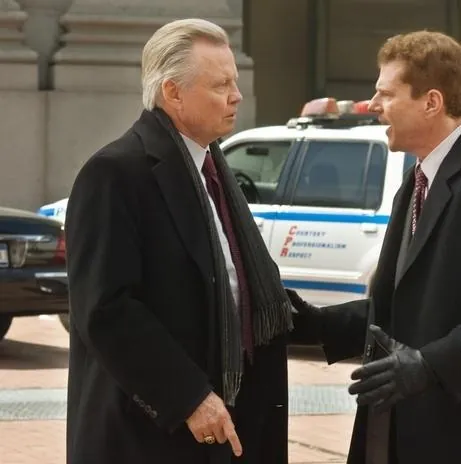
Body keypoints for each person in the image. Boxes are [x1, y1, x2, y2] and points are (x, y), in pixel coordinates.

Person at [64, 18, 294, 464]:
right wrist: (189, 398)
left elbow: (239, 291)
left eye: (235, 82)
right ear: (173, 93)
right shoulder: (113, 174)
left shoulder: (215, 170)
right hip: (149, 439)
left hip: (231, 429)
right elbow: (105, 310)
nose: (237, 95)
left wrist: (354, 324)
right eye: (221, 85)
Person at [289, 30, 461, 464]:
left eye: (386, 93)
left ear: (432, 102)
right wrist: (314, 324)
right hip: (400, 429)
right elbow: (397, 309)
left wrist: (432, 365)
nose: (373, 105)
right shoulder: (415, 182)